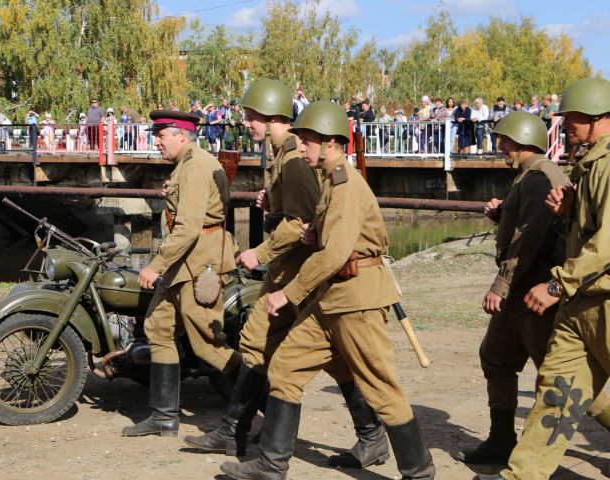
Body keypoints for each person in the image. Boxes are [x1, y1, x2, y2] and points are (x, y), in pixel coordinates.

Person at [220, 100, 435, 480]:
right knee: (285, 368)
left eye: (308, 141)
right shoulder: (329, 184)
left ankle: (419, 472)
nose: (301, 148)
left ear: (331, 142)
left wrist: (289, 293)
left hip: (358, 299)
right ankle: (272, 465)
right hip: (331, 298)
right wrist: (314, 232)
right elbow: (333, 239)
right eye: (301, 140)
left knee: (381, 388)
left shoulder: (346, 185)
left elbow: (336, 253)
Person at [183, 80, 388, 469]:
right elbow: (298, 213)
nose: (247, 123)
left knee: (267, 343)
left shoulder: (293, 161)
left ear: (274, 117)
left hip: (296, 270)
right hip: (293, 269)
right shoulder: (283, 156)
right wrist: (270, 204)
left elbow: (303, 224)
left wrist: (258, 251)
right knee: (308, 353)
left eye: (253, 117)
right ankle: (369, 436)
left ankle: (239, 435)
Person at [475, 77, 610, 480]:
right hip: (578, 300)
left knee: (585, 397)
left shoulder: (604, 168)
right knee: (556, 395)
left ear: (598, 116)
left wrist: (555, 285)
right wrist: (568, 213)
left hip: (595, 298)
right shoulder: (586, 167)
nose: (564, 123)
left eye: (571, 117)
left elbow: (606, 247)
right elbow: (584, 233)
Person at [120, 110, 241, 438]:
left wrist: (154, 265)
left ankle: (268, 406)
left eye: (161, 136)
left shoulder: (196, 166)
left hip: (199, 264)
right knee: (158, 328)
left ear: (181, 136)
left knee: (208, 345)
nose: (156, 142)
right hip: (183, 265)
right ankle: (164, 417)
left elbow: (188, 228)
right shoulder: (187, 165)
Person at [460, 111, 568, 466]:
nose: (500, 145)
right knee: (496, 356)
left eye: (505, 140)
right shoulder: (527, 175)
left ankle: (538, 455)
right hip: (522, 292)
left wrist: (500, 285)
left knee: (555, 376)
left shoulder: (539, 178)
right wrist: (500, 213)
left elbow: (529, 238)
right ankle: (502, 439)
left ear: (525, 140)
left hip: (536, 290)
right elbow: (523, 222)